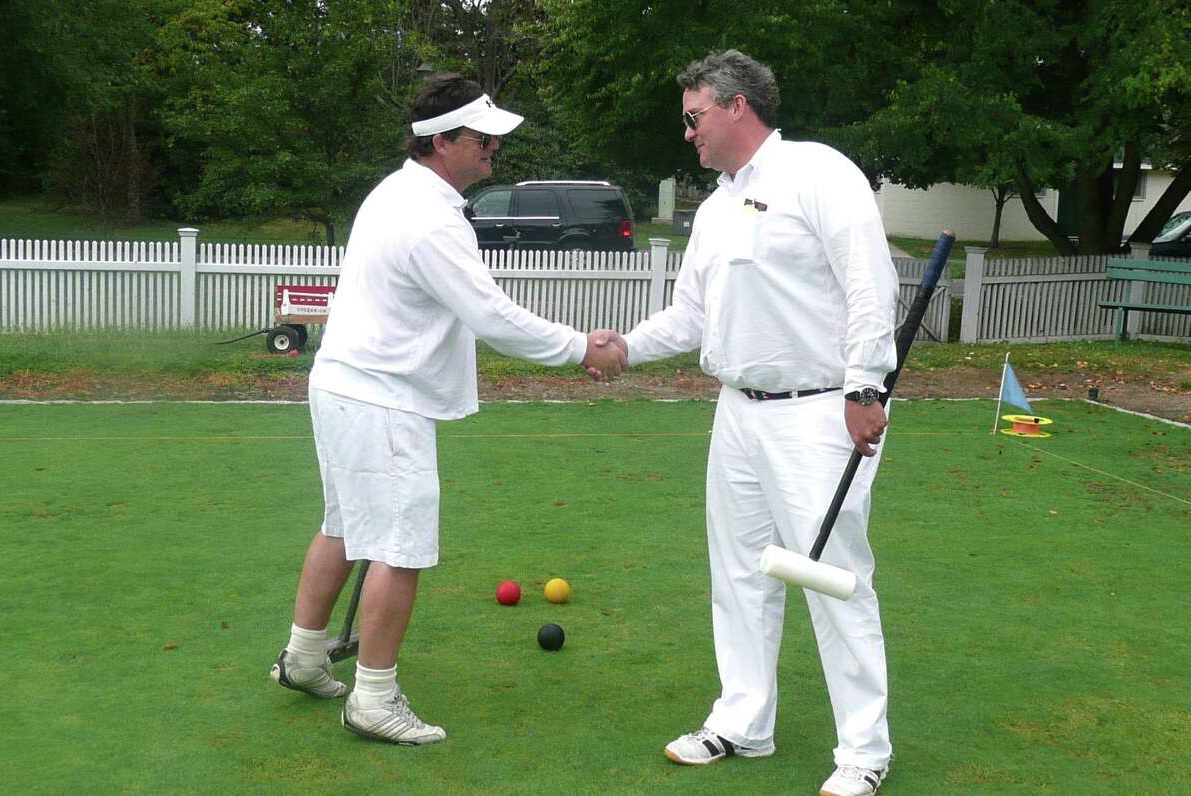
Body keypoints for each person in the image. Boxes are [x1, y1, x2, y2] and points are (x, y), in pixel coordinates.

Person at [269, 74, 626, 745]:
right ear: (442, 142)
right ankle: (373, 697)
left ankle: (306, 657)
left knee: (344, 527)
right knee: (398, 549)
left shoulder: (400, 191)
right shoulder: (429, 216)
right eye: (481, 138)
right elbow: (491, 316)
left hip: (347, 385)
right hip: (380, 396)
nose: (494, 148)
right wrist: (582, 347)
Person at [593, 50, 898, 796]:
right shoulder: (718, 205)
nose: (689, 134)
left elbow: (870, 282)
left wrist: (865, 383)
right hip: (738, 413)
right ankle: (744, 721)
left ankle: (864, 752)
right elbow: (694, 314)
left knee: (834, 580)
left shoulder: (820, 174)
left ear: (736, 107)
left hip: (819, 413)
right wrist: (629, 347)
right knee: (738, 574)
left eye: (695, 118)